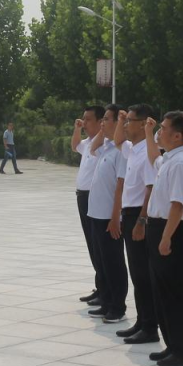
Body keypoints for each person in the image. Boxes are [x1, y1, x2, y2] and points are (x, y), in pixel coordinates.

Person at [146, 111, 183, 366]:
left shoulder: (181, 163)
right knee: (162, 292)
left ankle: (182, 351)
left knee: (173, 292)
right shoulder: (170, 158)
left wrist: (166, 237)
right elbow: (152, 157)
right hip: (160, 227)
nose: (160, 131)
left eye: (164, 128)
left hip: (172, 230)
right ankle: (172, 345)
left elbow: (178, 204)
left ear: (177, 136)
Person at [114, 105, 159, 344]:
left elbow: (150, 188)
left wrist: (142, 221)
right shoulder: (133, 149)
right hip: (129, 213)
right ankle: (142, 321)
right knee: (137, 273)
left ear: (143, 124)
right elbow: (117, 141)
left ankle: (150, 326)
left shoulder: (147, 152)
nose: (125, 125)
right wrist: (121, 119)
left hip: (139, 215)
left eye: (129, 120)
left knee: (143, 275)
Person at [83, 105, 128, 322]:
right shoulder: (106, 147)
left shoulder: (122, 150)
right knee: (102, 261)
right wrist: (104, 131)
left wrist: (115, 217)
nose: (103, 123)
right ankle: (107, 301)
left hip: (109, 217)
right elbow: (92, 147)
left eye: (107, 119)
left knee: (113, 262)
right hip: (96, 214)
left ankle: (118, 307)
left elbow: (121, 185)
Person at [71, 105, 107, 307]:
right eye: (83, 119)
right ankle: (100, 286)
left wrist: (103, 130)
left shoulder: (103, 143)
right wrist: (77, 129)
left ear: (101, 122)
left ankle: (106, 289)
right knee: (92, 244)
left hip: (94, 197)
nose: (84, 123)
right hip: (82, 197)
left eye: (88, 119)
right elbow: (75, 145)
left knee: (99, 245)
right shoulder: (87, 143)